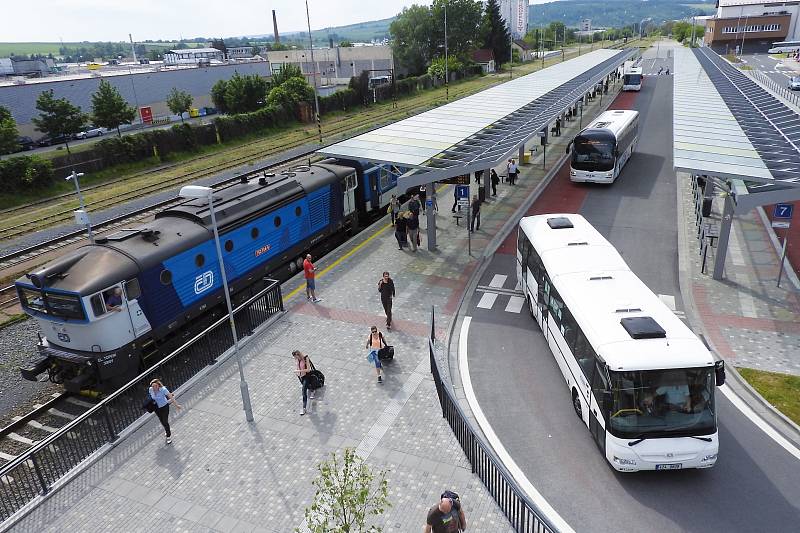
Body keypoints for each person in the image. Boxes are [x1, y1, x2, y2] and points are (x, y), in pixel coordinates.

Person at [148, 379, 181, 444]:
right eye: (153, 386)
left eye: (155, 386)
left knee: (165, 421)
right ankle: (167, 429)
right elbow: (151, 397)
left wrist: (176, 405)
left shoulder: (163, 389)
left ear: (158, 385)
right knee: (162, 421)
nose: (154, 388)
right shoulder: (150, 389)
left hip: (164, 407)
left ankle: (168, 436)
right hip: (156, 408)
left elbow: (171, 397)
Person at [293, 350, 314, 415]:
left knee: (303, 391)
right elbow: (297, 365)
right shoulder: (296, 359)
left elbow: (308, 369)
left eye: (296, 357)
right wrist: (297, 372)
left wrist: (299, 370)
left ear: (299, 355)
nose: (296, 359)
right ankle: (312, 390)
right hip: (300, 376)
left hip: (306, 376)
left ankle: (304, 408)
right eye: (295, 357)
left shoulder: (305, 358)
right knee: (307, 386)